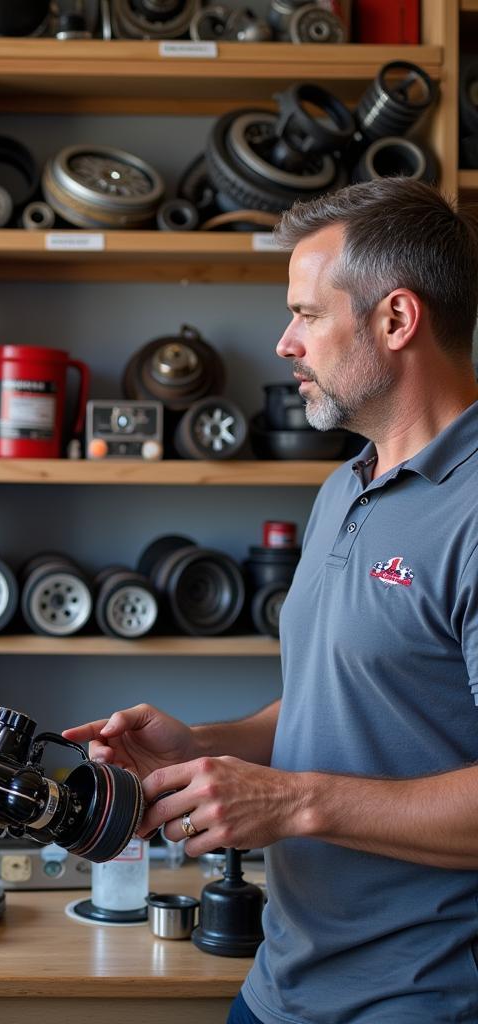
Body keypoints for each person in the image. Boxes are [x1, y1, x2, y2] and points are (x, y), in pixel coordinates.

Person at [64, 177, 478, 1024]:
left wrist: (289, 801)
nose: (284, 343)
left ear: (396, 321)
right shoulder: (346, 486)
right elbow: (366, 697)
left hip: (420, 1001)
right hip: (283, 985)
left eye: (307, 314)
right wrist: (205, 747)